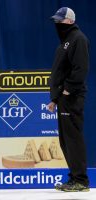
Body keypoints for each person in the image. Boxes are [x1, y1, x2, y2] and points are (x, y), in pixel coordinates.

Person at [47, 7, 90, 192]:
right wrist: (55, 99)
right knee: (65, 140)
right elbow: (61, 71)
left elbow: (81, 69)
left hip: (72, 97)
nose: (57, 24)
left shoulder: (78, 39)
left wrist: (67, 91)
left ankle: (81, 180)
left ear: (70, 21)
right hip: (64, 98)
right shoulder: (66, 41)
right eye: (56, 20)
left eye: (60, 20)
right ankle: (74, 178)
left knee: (73, 138)